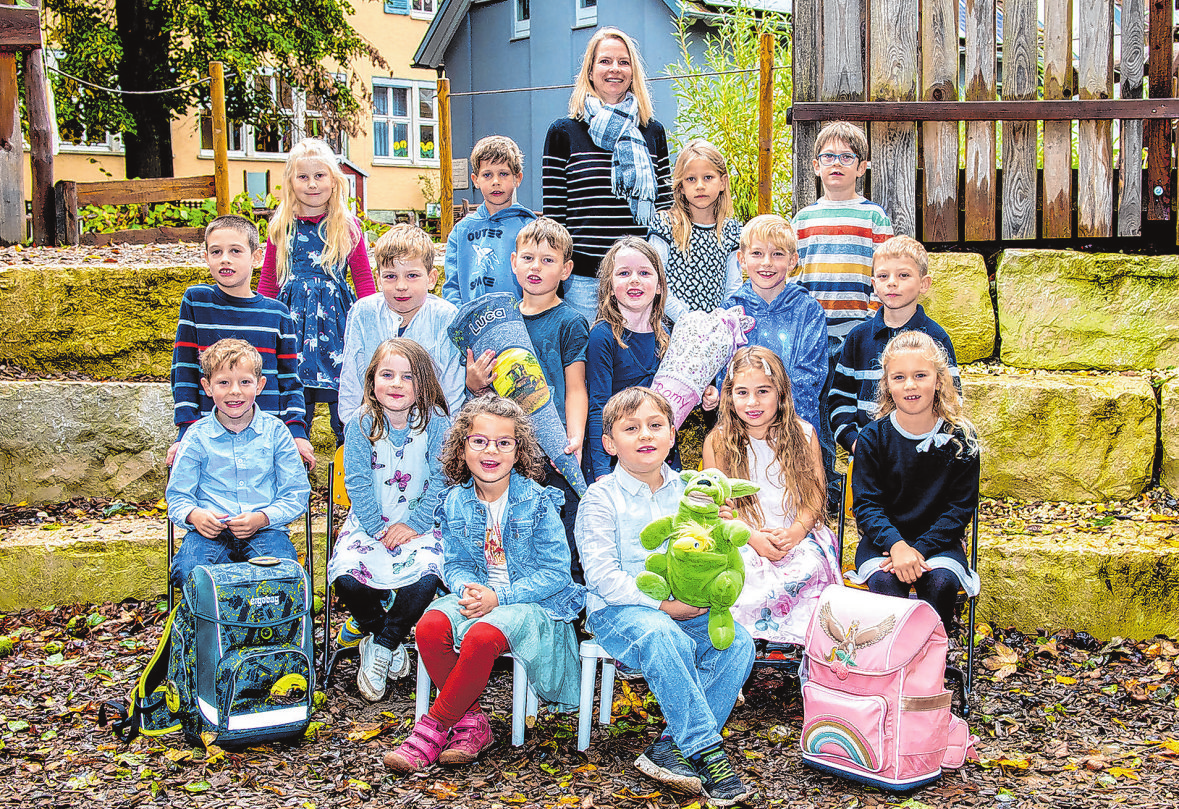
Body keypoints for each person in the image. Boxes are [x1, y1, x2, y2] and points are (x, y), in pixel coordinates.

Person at [383, 395, 584, 772]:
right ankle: (473, 723)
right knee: (429, 626)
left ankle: (432, 728)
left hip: (533, 604)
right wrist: (467, 589)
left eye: (503, 442)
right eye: (479, 441)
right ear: (462, 447)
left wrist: (499, 596)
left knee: (481, 636)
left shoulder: (537, 502)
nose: (491, 450)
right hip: (480, 595)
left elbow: (557, 573)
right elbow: (455, 563)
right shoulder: (455, 501)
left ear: (518, 451)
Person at [576, 387, 752, 806]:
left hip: (686, 606)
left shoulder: (692, 492)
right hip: (620, 610)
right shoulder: (600, 498)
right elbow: (601, 575)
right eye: (631, 428)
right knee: (662, 632)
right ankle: (707, 753)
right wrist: (662, 606)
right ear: (609, 443)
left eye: (655, 426)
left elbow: (709, 555)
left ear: (673, 436)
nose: (645, 436)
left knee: (739, 643)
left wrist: (719, 532)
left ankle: (670, 749)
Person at [465, 217, 589, 582]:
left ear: (566, 269)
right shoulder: (496, 324)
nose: (536, 267)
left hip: (553, 447)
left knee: (563, 523)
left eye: (548, 260)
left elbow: (577, 386)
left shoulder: (570, 321)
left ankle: (572, 602)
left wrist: (575, 436)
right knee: (516, 523)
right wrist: (475, 384)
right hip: (507, 448)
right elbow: (485, 392)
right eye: (529, 258)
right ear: (513, 262)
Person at [326, 339, 450, 701]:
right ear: (372, 380)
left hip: (420, 521)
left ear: (423, 383)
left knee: (426, 577)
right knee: (348, 579)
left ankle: (381, 644)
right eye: (387, 375)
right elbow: (358, 483)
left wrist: (414, 524)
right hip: (370, 522)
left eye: (408, 377)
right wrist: (376, 528)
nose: (396, 384)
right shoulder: (362, 423)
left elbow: (443, 478)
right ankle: (387, 639)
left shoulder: (436, 423)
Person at [703, 346, 841, 649]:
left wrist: (795, 532)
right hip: (743, 536)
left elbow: (814, 497)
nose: (752, 402)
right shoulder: (719, 441)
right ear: (729, 396)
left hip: (796, 533)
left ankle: (792, 636)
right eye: (742, 392)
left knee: (809, 566)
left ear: (780, 392)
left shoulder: (803, 435)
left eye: (762, 391)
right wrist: (752, 538)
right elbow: (719, 508)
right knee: (742, 569)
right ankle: (750, 639)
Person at [850, 331, 980, 635]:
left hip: (940, 543)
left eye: (920, 375)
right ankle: (890, 667)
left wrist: (917, 551)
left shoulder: (960, 440)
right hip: (883, 543)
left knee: (939, 582)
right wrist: (897, 546)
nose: (910, 385)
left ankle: (928, 666)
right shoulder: (872, 439)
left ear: (938, 380)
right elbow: (867, 505)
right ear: (887, 384)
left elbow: (960, 508)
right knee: (885, 583)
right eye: (899, 377)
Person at [542, 26, 673, 323]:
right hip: (582, 283)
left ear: (633, 72)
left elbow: (664, 212)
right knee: (583, 367)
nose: (614, 69)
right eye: (605, 61)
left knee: (634, 366)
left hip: (637, 281)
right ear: (589, 71)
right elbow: (554, 220)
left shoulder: (652, 132)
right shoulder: (563, 133)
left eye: (623, 62)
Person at [169, 215, 314, 469]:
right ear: (206, 258)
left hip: (265, 437)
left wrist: (296, 432)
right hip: (209, 435)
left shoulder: (277, 314)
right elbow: (183, 372)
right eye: (216, 251)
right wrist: (186, 432)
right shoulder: (196, 302)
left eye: (235, 250)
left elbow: (290, 381)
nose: (225, 258)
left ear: (256, 257)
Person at [258, 138, 376, 447]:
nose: (312, 184)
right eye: (303, 177)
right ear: (291, 182)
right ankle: (294, 477)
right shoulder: (281, 226)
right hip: (293, 328)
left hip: (337, 329)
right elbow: (268, 281)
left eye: (319, 176)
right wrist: (261, 326)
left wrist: (374, 326)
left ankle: (350, 474)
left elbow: (364, 280)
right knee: (295, 407)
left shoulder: (347, 226)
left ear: (334, 181)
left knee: (345, 408)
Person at [167, 339, 310, 589]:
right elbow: (178, 496)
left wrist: (263, 518)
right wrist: (194, 515)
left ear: (260, 385)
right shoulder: (196, 437)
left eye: (245, 382)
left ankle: (266, 627)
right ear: (207, 387)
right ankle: (213, 627)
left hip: (266, 531)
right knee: (189, 572)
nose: (235, 391)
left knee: (283, 575)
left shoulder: (277, 433)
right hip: (209, 535)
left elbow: (296, 494)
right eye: (224, 382)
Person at [584, 237, 711, 481]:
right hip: (618, 461)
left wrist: (706, 396)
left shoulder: (669, 336)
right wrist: (601, 472)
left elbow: (681, 396)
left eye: (644, 272)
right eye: (623, 273)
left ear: (660, 285)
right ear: (609, 286)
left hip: (661, 457)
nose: (634, 280)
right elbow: (598, 405)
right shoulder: (603, 336)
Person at [830, 235, 959, 454]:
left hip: (922, 457)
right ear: (873, 284)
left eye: (904, 275)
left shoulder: (937, 338)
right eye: (883, 275)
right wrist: (856, 443)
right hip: (869, 460)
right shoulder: (858, 338)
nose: (892, 282)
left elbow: (951, 399)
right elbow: (839, 400)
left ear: (924, 283)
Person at [338, 224, 465, 422]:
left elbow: (453, 385)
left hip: (429, 427)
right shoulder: (363, 313)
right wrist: (351, 426)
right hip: (374, 426)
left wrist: (446, 436)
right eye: (390, 276)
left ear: (431, 279)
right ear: (378, 279)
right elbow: (351, 377)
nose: (401, 286)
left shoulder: (446, 317)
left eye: (412, 276)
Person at [720, 215, 828, 441]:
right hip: (741, 427)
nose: (766, 262)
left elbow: (809, 376)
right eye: (757, 253)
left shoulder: (808, 311)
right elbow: (724, 373)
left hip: (794, 426)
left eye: (777, 254)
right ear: (741, 259)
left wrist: (783, 424)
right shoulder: (730, 312)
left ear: (792, 260)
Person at [647, 139, 741, 320]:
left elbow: (733, 288)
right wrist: (687, 320)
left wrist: (719, 321)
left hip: (716, 330)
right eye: (691, 179)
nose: (700, 185)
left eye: (708, 177)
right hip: (671, 328)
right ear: (680, 186)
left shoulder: (730, 231)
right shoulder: (665, 225)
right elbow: (657, 280)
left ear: (723, 182)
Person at [442, 135, 537, 305]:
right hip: (470, 324)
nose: (495, 182)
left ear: (518, 178)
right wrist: (460, 317)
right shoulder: (461, 231)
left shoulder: (529, 227)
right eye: (487, 175)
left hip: (516, 323)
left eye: (503, 174)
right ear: (475, 180)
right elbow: (452, 286)